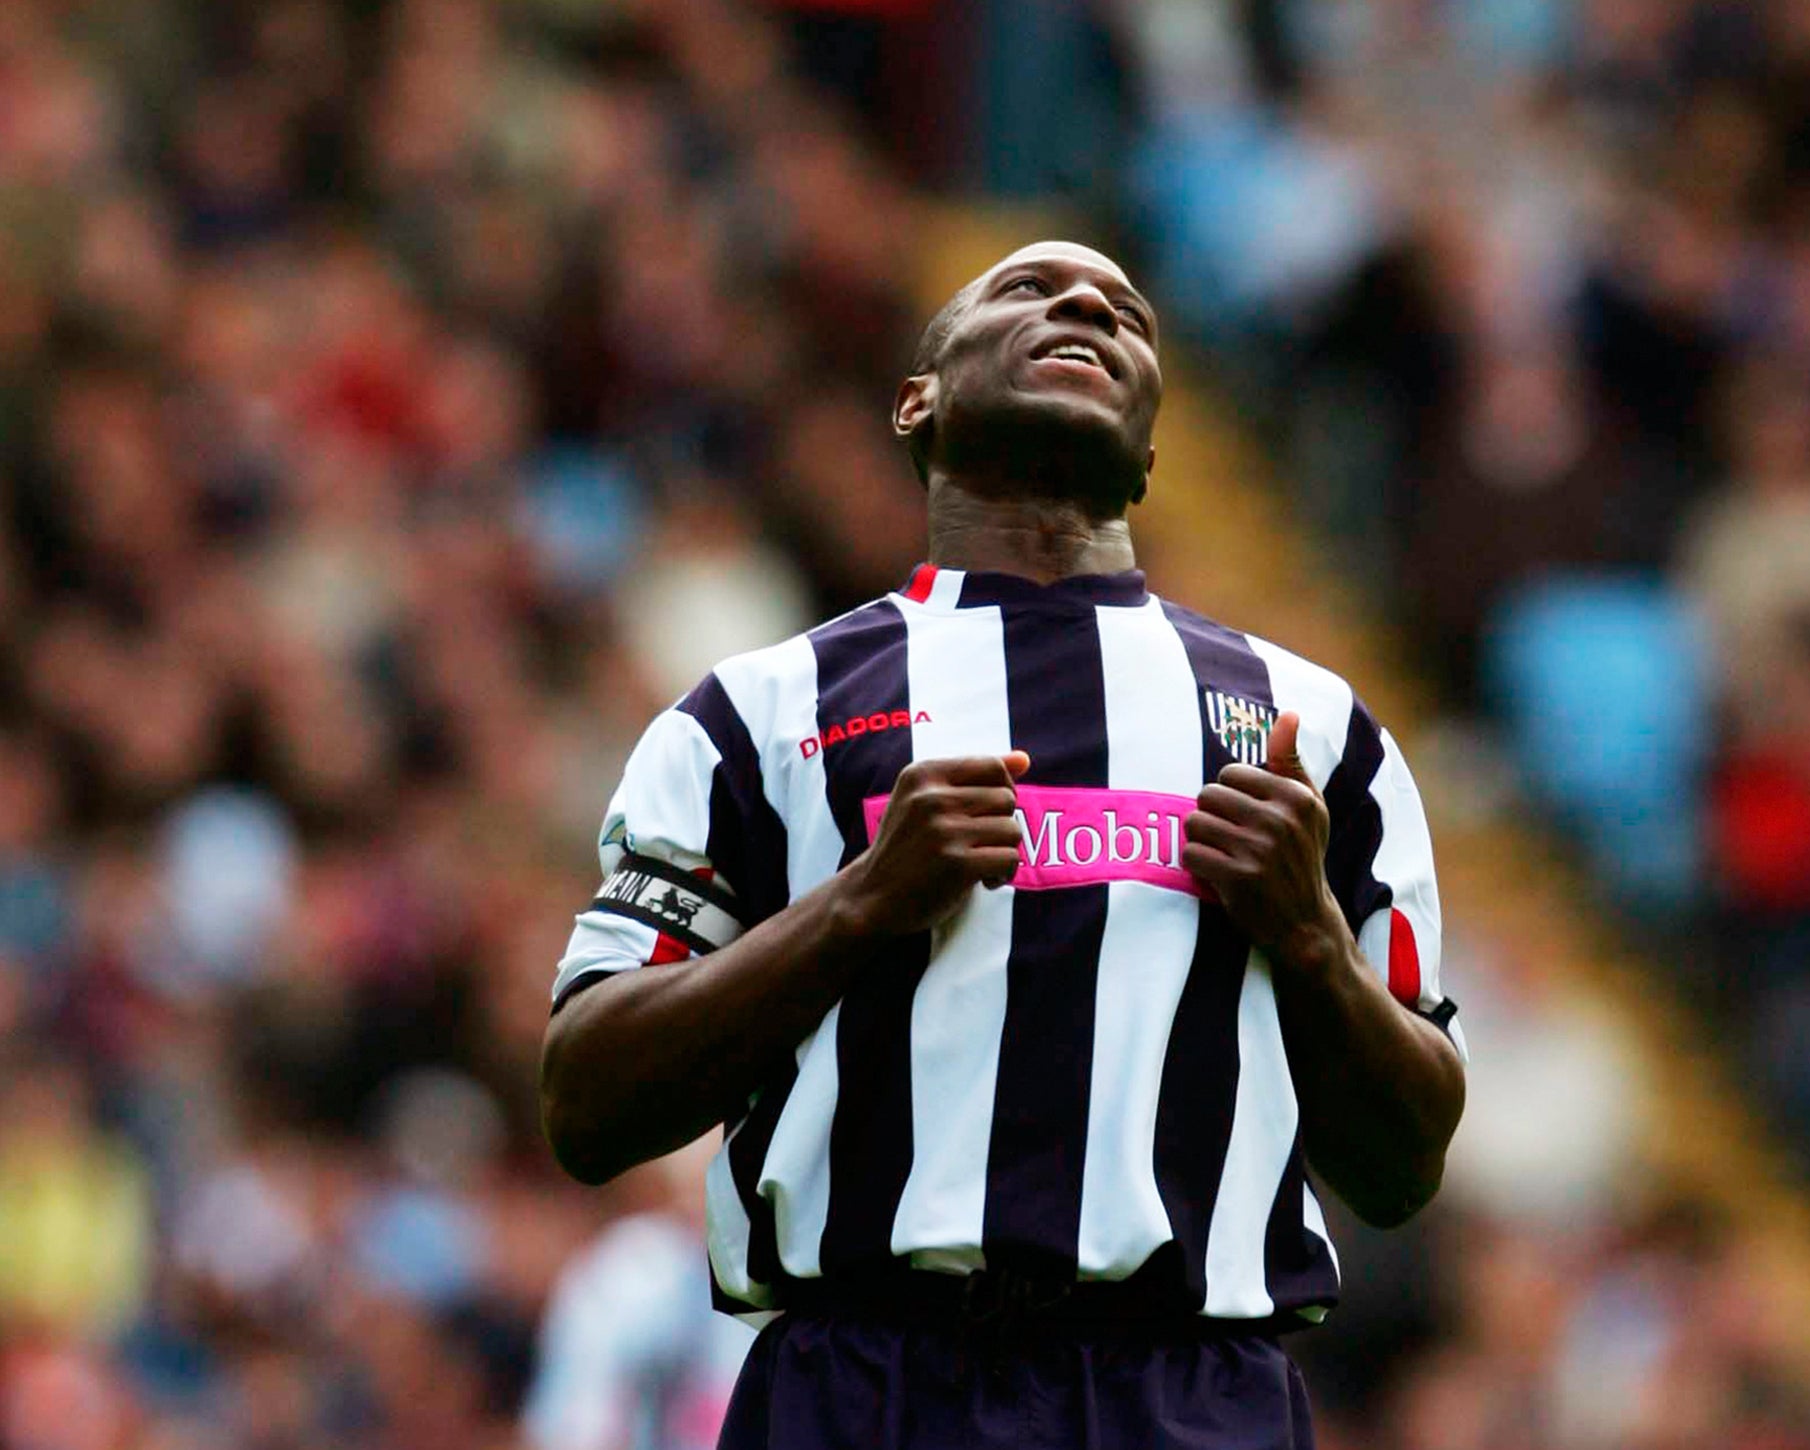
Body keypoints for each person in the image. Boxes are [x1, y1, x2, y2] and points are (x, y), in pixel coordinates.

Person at [539, 241, 1468, 1449]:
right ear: (915, 400)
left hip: (1188, 1393)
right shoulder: (759, 713)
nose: (1086, 301)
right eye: (1026, 290)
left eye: (1124, 311)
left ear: (1148, 449)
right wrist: (857, 904)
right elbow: (584, 1099)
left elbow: (1404, 1165)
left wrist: (1308, 940)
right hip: (863, 1387)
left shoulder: (1318, 732)